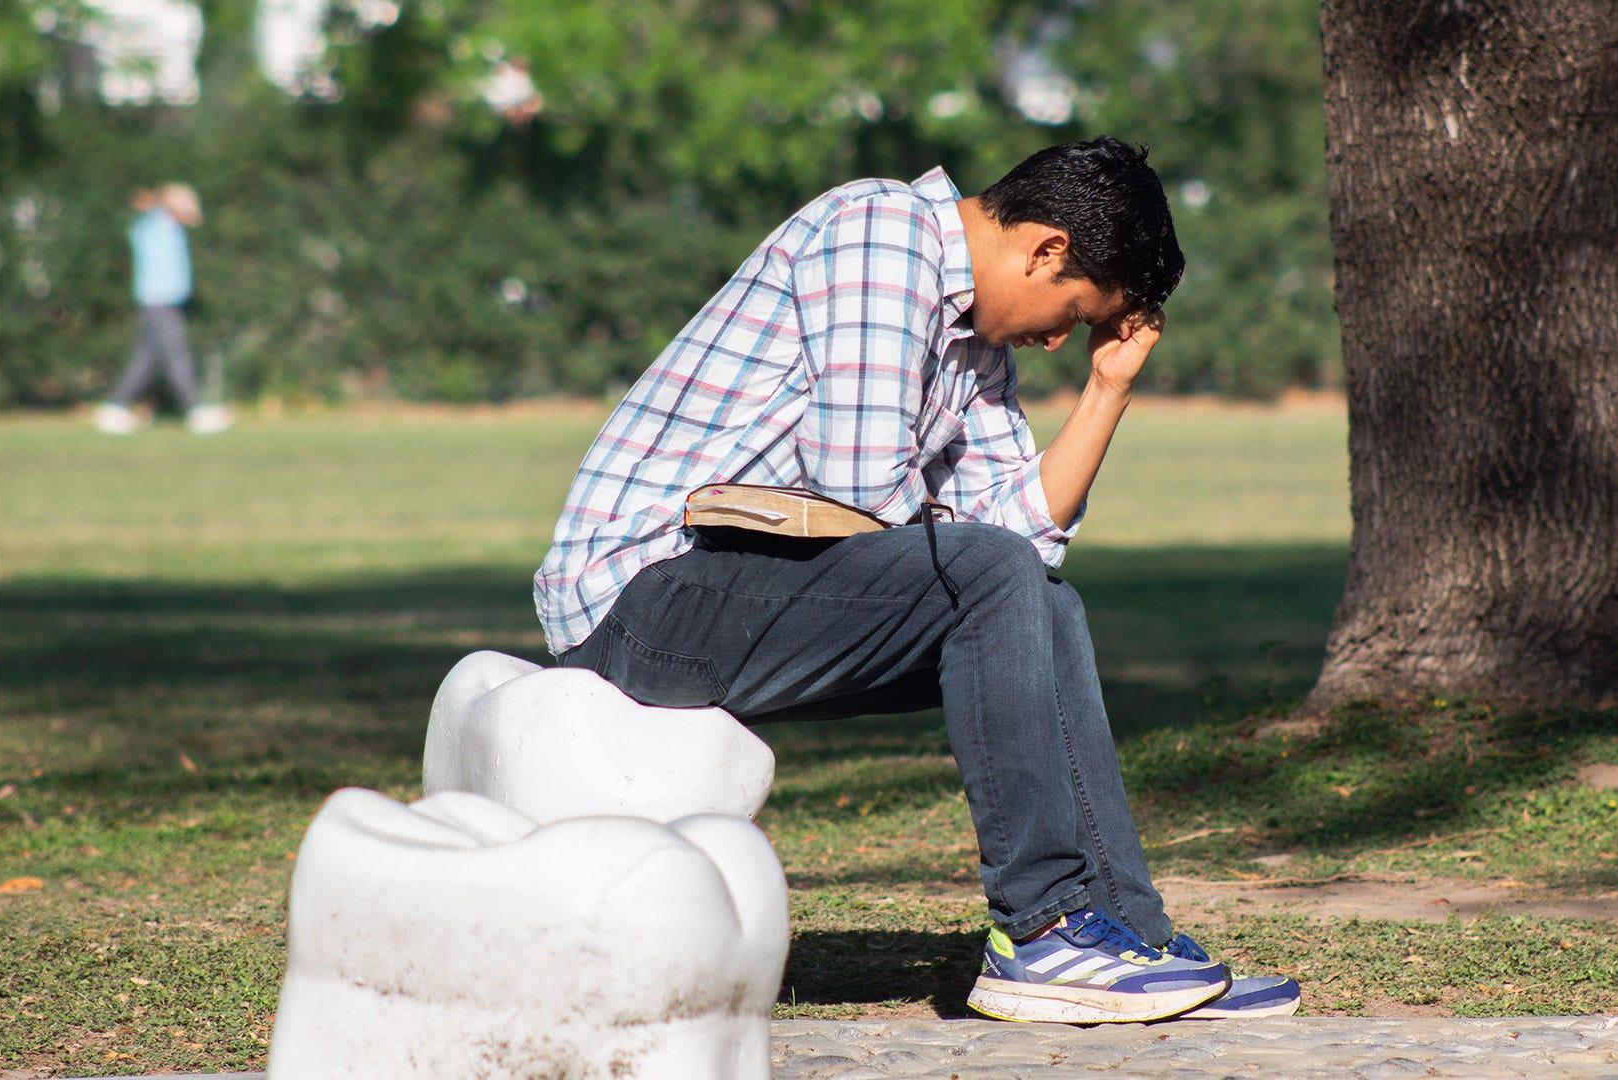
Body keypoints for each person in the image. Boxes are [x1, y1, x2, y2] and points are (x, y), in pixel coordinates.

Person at [534, 138, 1300, 1024]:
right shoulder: (880, 235)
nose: (1059, 339)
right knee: (991, 572)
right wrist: (971, 546)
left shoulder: (973, 335)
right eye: (1073, 314)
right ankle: (1042, 928)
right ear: (1046, 249)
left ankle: (1122, 932)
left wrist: (1107, 392)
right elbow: (858, 486)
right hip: (643, 596)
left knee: (1044, 601)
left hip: (750, 592)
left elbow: (1026, 549)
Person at [94, 184, 231, 435]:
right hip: (158, 300)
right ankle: (194, 411)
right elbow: (144, 209)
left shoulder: (170, 226)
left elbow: (193, 218)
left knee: (145, 359)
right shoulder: (153, 224)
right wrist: (162, 201)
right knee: (177, 354)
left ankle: (113, 409)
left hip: (166, 301)